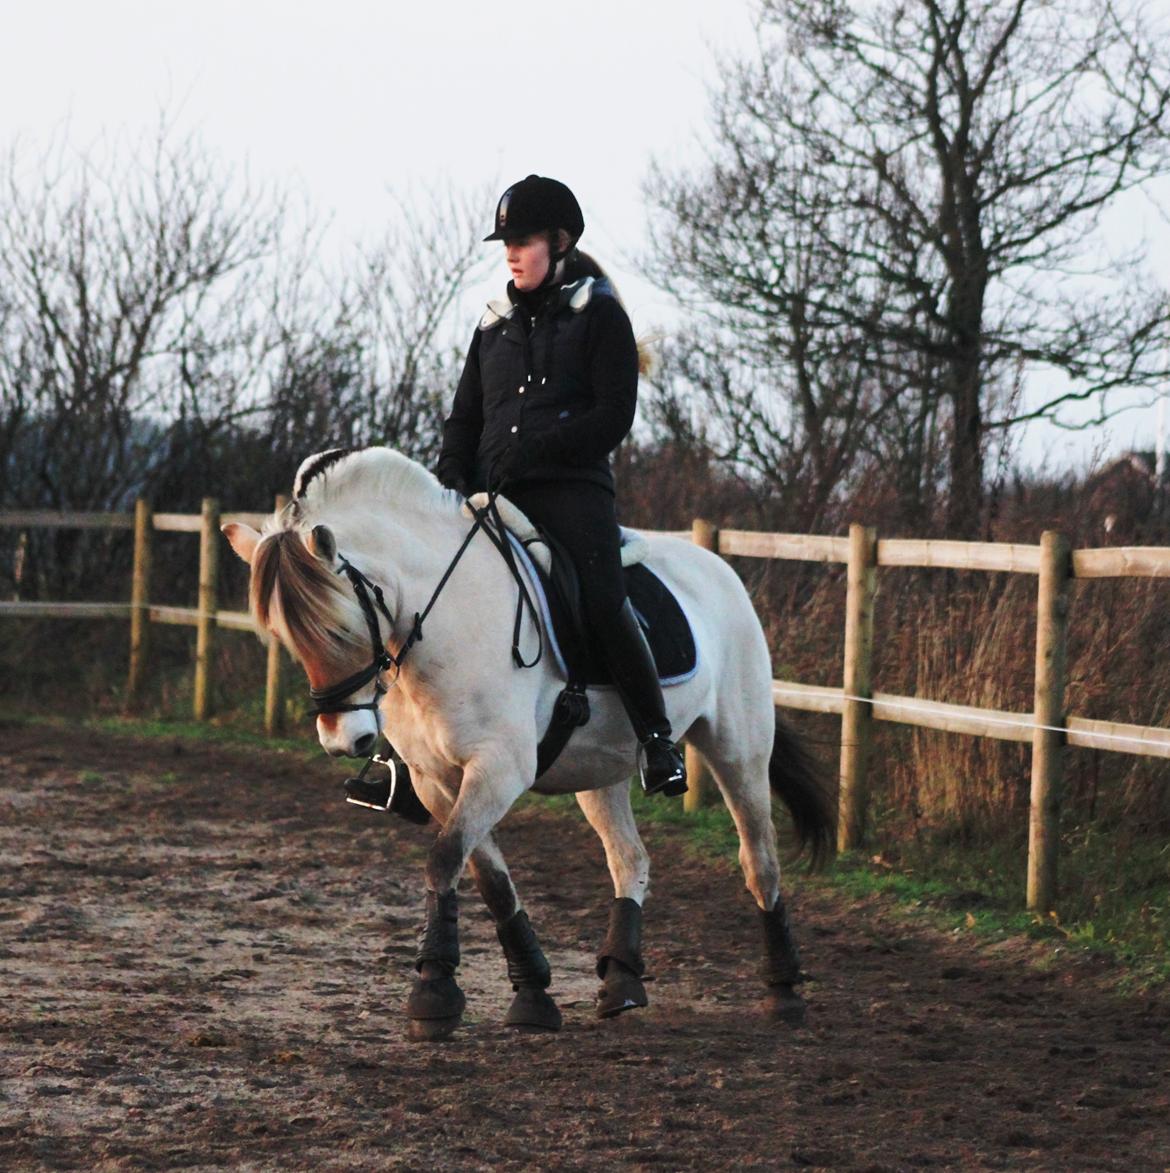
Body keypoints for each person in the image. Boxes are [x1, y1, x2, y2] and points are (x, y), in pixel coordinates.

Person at [435, 174, 687, 797]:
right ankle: (403, 748)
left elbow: (612, 417)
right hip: (494, 493)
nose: (511, 252)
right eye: (506, 243)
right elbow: (465, 416)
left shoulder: (600, 316)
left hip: (572, 493)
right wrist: (449, 471)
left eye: (522, 241)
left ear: (561, 241)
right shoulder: (492, 326)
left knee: (601, 598)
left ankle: (657, 739)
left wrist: (538, 450)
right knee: (431, 591)